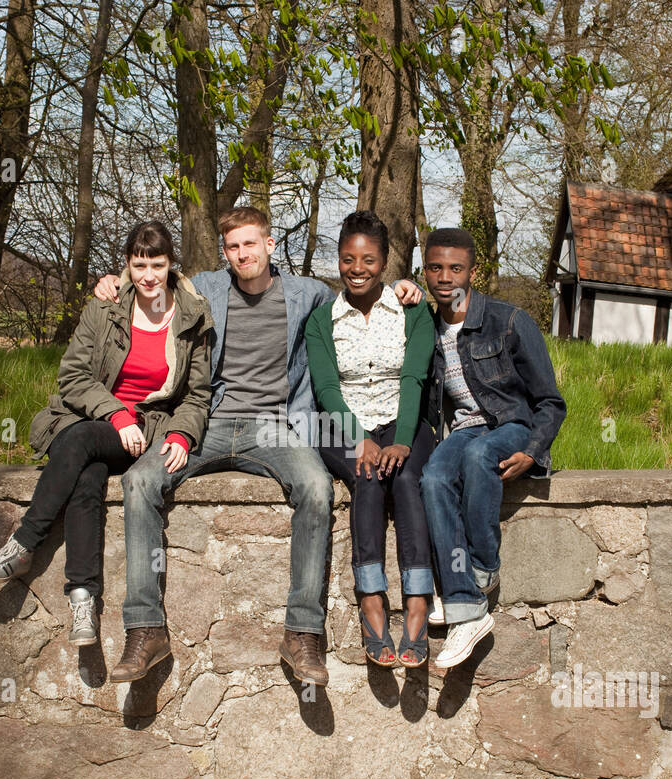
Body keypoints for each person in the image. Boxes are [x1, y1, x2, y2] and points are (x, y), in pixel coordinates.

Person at [91, 206, 424, 688]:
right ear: (224, 252)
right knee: (141, 479)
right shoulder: (205, 288)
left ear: (270, 245)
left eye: (250, 243)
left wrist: (405, 288)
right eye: (232, 246)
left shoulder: (308, 294)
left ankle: (302, 634)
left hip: (276, 426)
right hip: (208, 422)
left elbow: (362, 288)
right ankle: (145, 630)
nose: (242, 253)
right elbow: (151, 277)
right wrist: (112, 281)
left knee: (314, 484)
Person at [0, 221, 213, 684]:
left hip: (150, 429)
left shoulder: (193, 317)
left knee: (79, 442)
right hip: (97, 421)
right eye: (138, 264)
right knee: (85, 474)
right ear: (127, 264)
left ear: (171, 266)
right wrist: (115, 415)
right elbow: (73, 377)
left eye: (157, 265)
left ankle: (24, 544)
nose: (148, 275)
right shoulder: (103, 308)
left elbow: (197, 396)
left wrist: (182, 435)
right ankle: (83, 600)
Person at [418, 227, 567, 669]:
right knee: (433, 477)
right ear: (424, 270)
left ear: (474, 271)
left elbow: (550, 401)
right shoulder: (424, 325)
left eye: (456, 268)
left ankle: (481, 569)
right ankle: (467, 606)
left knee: (480, 455)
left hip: (511, 426)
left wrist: (534, 451)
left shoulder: (510, 320)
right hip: (465, 429)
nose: (445, 277)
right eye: (435, 267)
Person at [305, 211, 436, 668]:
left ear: (384, 263)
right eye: (347, 259)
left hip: (404, 422)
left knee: (405, 480)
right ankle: (372, 600)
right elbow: (325, 390)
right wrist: (360, 439)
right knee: (368, 477)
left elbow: (414, 376)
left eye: (368, 260)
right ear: (338, 260)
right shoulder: (323, 321)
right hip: (343, 426)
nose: (357, 269)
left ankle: (418, 602)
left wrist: (400, 440)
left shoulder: (412, 311)